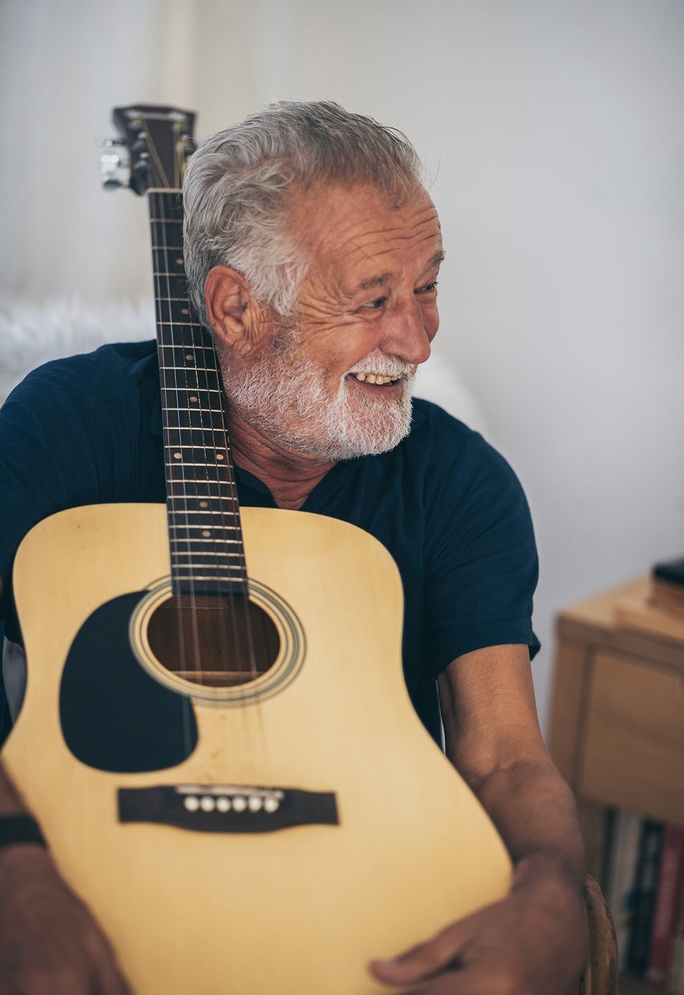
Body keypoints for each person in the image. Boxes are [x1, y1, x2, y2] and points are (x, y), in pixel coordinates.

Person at [0, 100, 588, 994]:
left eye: (427, 284)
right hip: (90, 870)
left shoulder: (461, 482)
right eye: (373, 299)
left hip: (367, 895)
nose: (419, 339)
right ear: (235, 308)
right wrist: (19, 878)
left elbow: (505, 753)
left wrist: (556, 893)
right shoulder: (66, 427)